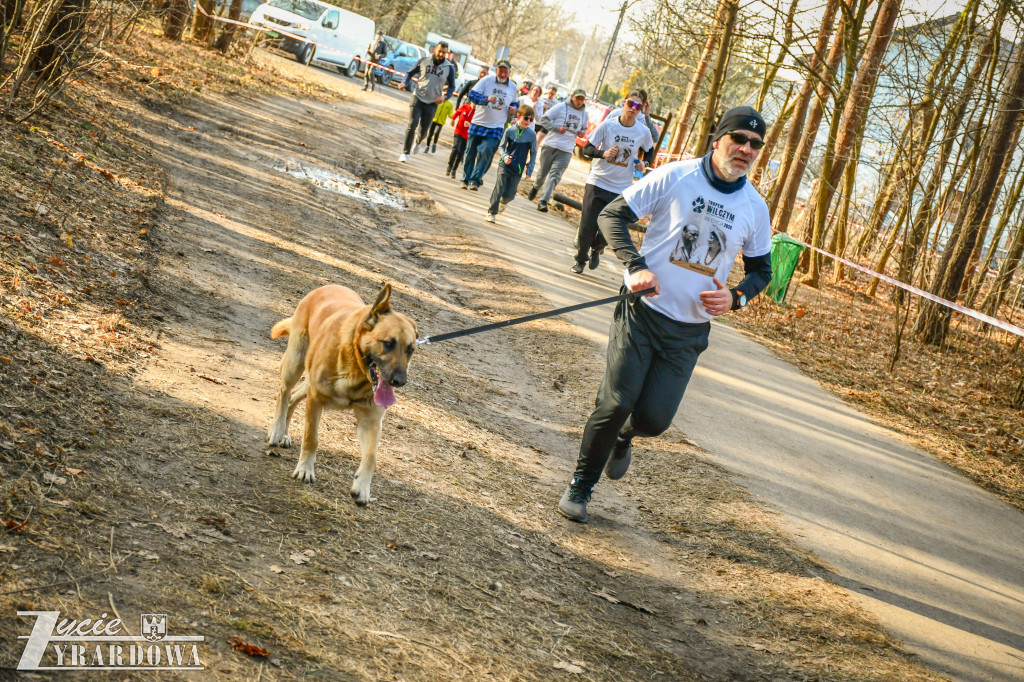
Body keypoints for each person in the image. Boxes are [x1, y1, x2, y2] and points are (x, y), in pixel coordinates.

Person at [556, 106, 775, 523]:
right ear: (718, 140)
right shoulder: (676, 176)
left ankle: (626, 437)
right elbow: (611, 215)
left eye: (755, 145)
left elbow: (762, 270)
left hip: (688, 332)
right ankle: (582, 484)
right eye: (738, 140)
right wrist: (635, 267)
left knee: (654, 420)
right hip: (641, 311)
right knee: (616, 401)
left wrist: (737, 297)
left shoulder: (754, 207)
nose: (746, 149)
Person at [572, 91, 653, 274]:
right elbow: (587, 149)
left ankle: (597, 248)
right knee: (587, 225)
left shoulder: (643, 131)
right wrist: (604, 154)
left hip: (621, 187)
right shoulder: (607, 126)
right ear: (624, 104)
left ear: (640, 109)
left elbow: (649, 151)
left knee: (610, 228)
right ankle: (580, 261)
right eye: (630, 104)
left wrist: (644, 163)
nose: (633, 109)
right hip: (598, 181)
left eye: (637, 106)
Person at [460, 58, 519, 191]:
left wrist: (514, 108)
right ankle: (465, 179)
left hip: (496, 126)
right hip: (479, 122)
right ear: (496, 70)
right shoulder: (486, 81)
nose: (502, 74)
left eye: (505, 71)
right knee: (470, 152)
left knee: (486, 152)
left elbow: (515, 103)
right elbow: (472, 95)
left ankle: (475, 180)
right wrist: (486, 99)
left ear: (509, 72)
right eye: (500, 70)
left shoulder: (513, 87)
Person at [529, 88, 588, 212]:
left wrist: (582, 133)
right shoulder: (561, 107)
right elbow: (544, 119)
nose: (579, 102)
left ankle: (543, 201)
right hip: (551, 145)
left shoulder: (584, 113)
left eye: (582, 100)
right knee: (542, 173)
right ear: (572, 96)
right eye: (577, 98)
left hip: (566, 149)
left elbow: (584, 128)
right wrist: (556, 128)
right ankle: (536, 186)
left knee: (555, 175)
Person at [398, 41, 456, 163]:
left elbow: (452, 87)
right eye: (439, 51)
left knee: (424, 130)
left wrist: (445, 97)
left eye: (444, 53)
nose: (441, 54)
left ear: (446, 53)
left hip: (432, 102)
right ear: (435, 49)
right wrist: (404, 82)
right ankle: (405, 153)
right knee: (412, 124)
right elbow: (409, 73)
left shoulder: (449, 67)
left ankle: (419, 141)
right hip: (418, 97)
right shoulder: (424, 61)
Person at [486, 105, 537, 223]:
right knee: (499, 188)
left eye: (531, 119)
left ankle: (503, 203)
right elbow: (502, 146)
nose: (528, 121)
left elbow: (533, 153)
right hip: (505, 165)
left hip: (517, 169)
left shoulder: (532, 135)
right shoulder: (509, 130)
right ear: (519, 116)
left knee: (509, 195)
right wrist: (504, 157)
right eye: (526, 118)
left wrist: (529, 170)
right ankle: (491, 212)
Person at [447, 101, 475, 177]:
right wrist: (453, 119)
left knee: (461, 152)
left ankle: (454, 170)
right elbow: (457, 112)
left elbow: (478, 124)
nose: (475, 104)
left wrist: (470, 125)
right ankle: (449, 166)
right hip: (458, 131)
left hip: (468, 135)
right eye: (474, 102)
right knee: (456, 148)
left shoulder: (477, 112)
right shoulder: (465, 106)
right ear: (471, 101)